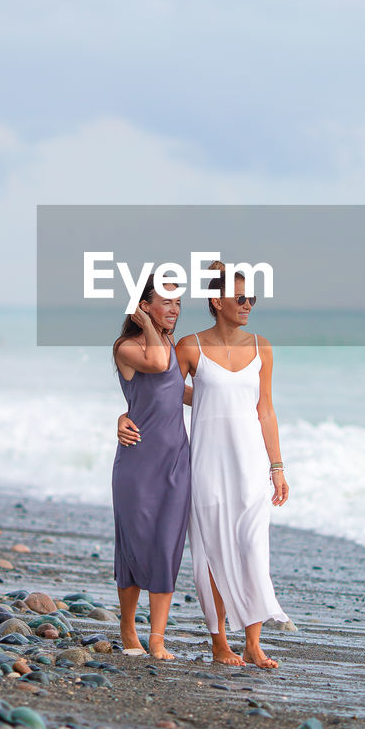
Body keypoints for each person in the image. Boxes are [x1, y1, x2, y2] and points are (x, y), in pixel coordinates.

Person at [119, 261, 290, 669]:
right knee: (213, 551)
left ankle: (253, 641)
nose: (248, 304)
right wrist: (125, 417)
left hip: (250, 463)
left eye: (252, 297)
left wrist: (277, 466)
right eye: (241, 297)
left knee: (252, 549)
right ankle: (220, 642)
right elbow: (162, 392)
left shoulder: (261, 346)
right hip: (206, 462)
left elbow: (265, 410)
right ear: (217, 301)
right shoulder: (189, 346)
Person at [111, 275, 191, 660]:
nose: (175, 310)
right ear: (145, 305)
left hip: (176, 461)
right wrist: (143, 324)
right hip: (138, 463)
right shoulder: (127, 347)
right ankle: (129, 628)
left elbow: (181, 392)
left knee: (167, 545)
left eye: (178, 303)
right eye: (166, 302)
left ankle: (157, 638)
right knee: (134, 544)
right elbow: (157, 364)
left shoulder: (175, 345)